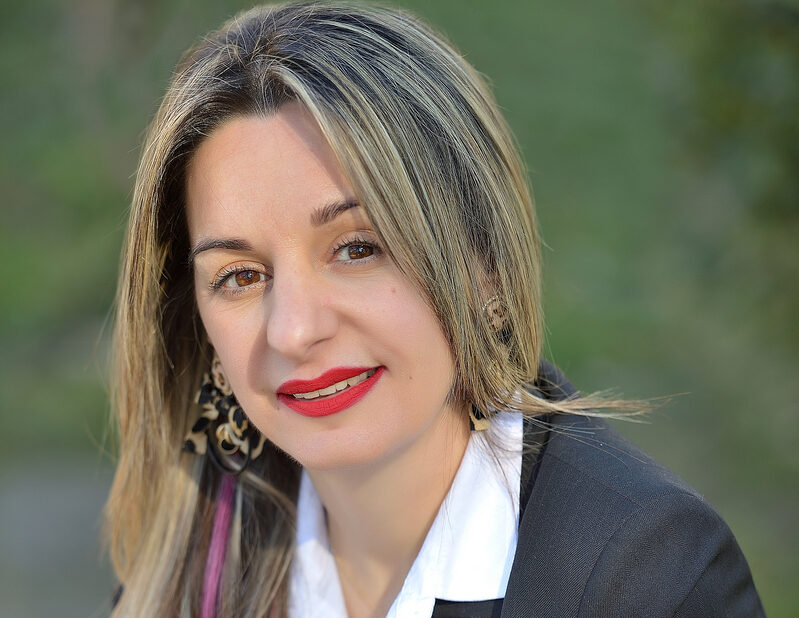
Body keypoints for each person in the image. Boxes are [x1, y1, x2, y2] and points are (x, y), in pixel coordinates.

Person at [104, 2, 764, 616]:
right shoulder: (184, 564)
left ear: (486, 269)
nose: (295, 330)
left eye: (358, 249)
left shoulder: (649, 576)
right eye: (241, 276)